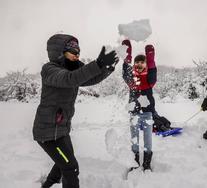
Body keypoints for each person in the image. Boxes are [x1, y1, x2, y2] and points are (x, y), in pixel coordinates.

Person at [33, 33, 119, 188]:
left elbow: (89, 79)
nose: (77, 55)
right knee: (70, 167)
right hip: (48, 133)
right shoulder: (50, 70)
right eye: (73, 52)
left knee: (64, 163)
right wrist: (98, 63)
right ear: (59, 52)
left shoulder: (73, 69)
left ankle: (48, 185)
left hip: (61, 130)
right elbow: (70, 79)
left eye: (78, 52)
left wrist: (107, 69)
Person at [122, 39, 157, 171]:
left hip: (147, 113)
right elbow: (125, 72)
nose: (139, 64)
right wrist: (128, 54)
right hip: (134, 113)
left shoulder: (149, 80)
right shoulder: (132, 80)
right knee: (134, 139)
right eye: (137, 61)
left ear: (146, 64)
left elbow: (153, 73)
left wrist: (150, 57)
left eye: (142, 62)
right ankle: (135, 162)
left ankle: (147, 163)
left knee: (148, 140)